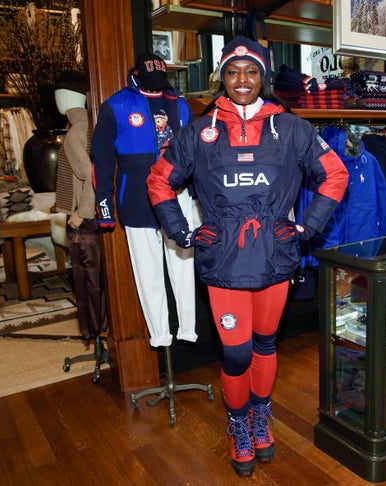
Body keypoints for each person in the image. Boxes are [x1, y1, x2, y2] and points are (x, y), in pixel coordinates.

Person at [146, 36, 349, 478]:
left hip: (275, 258)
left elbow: (335, 174)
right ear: (223, 75)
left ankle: (260, 415)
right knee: (236, 357)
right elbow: (160, 180)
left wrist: (306, 226)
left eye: (252, 71)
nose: (243, 80)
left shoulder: (292, 128)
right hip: (224, 264)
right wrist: (180, 231)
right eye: (234, 71)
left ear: (264, 78)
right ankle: (238, 423)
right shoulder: (198, 132)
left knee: (266, 345)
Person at [91, 53, 198, 349]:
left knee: (183, 266)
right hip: (136, 199)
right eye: (150, 83)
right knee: (148, 271)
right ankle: (160, 334)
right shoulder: (115, 106)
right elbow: (101, 160)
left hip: (177, 196)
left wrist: (199, 195)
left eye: (160, 83)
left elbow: (195, 155)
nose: (156, 88)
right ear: (136, 75)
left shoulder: (179, 105)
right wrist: (104, 207)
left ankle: (187, 328)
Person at [53, 70, 108, 345]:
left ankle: (95, 334)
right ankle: (99, 333)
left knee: (87, 282)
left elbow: (91, 173)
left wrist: (81, 213)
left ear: (65, 98)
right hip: (94, 217)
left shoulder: (75, 132)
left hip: (84, 220)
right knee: (95, 280)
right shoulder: (90, 125)